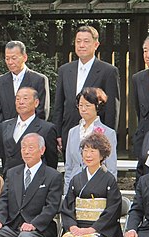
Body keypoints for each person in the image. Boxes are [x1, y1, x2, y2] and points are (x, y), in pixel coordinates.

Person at [57, 132, 122, 237]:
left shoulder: (109, 180)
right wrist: (72, 227)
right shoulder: (76, 179)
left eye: (93, 150)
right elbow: (68, 207)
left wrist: (91, 229)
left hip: (100, 230)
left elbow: (112, 210)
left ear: (102, 155)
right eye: (85, 150)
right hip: (78, 227)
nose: (88, 154)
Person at [52, 26, 120, 155]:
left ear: (96, 44)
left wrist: (108, 136)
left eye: (86, 41)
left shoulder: (108, 71)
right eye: (78, 41)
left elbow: (112, 108)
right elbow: (59, 105)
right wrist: (58, 133)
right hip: (70, 132)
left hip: (96, 134)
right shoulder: (65, 70)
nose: (81, 45)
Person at [64, 87, 117, 193]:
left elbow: (111, 167)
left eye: (87, 105)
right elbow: (69, 166)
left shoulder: (107, 133)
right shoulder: (72, 132)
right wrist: (66, 191)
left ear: (97, 106)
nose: (83, 109)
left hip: (98, 185)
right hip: (75, 185)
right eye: (80, 105)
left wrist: (110, 191)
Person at [0, 87, 57, 177]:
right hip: (10, 179)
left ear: (36, 103)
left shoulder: (47, 128)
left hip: (36, 180)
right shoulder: (5, 126)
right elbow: (3, 155)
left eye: (25, 98)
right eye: (17, 99)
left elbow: (51, 161)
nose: (21, 102)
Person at [0, 40, 50, 128]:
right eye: (7, 58)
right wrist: (5, 131)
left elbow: (42, 111)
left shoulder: (38, 80)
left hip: (32, 134)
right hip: (6, 134)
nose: (10, 62)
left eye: (14, 58)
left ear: (24, 57)